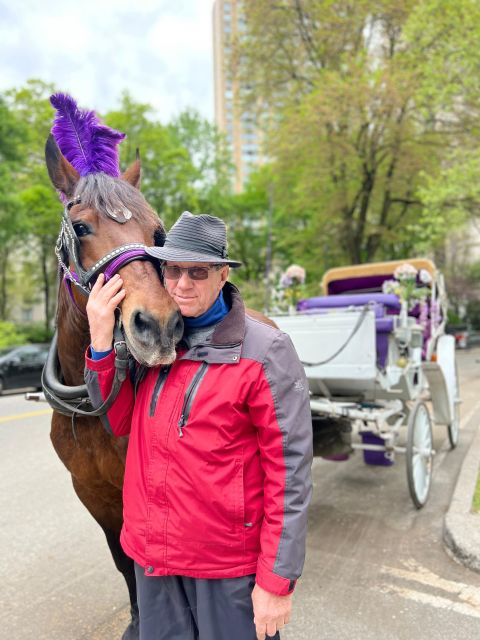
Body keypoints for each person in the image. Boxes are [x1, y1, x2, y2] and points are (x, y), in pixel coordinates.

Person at [84, 211, 313, 640]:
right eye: (172, 270)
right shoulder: (160, 340)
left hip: (225, 570)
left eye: (198, 272)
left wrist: (276, 583)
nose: (182, 284)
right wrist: (100, 342)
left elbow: (291, 474)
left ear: (223, 274)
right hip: (153, 561)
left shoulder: (265, 352)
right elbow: (117, 420)